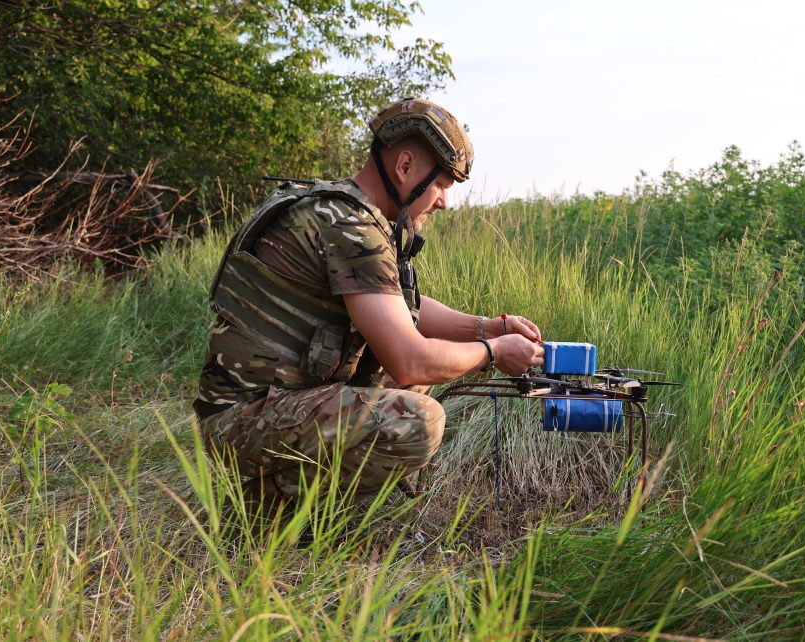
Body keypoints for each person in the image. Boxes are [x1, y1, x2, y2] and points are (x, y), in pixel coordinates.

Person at [194, 98, 544, 500]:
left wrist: (485, 327)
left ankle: (317, 497)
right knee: (417, 418)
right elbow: (410, 357)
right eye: (442, 186)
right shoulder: (350, 227)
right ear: (405, 166)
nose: (445, 202)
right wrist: (493, 352)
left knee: (406, 386)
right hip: (241, 421)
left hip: (261, 406)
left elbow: (397, 305)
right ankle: (258, 512)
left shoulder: (349, 213)